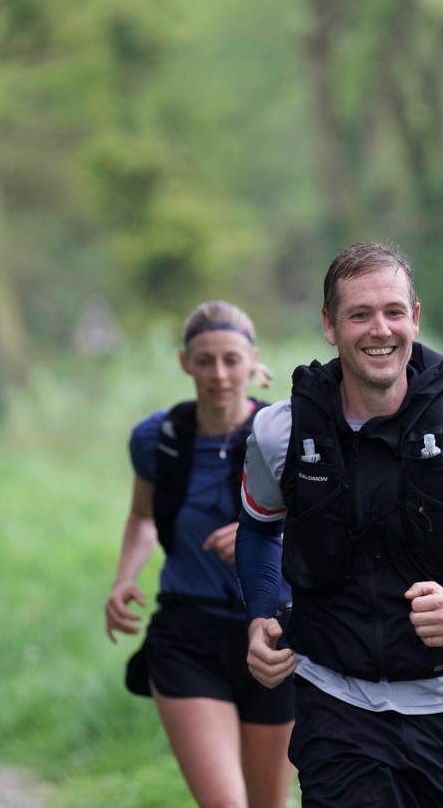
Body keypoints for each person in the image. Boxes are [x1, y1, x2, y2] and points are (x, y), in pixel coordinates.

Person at [235, 243, 443, 807]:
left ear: (415, 318)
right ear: (330, 326)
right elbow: (259, 530)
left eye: (393, 312)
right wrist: (261, 614)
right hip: (333, 702)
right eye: (359, 314)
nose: (379, 330)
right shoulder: (279, 431)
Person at [105, 300, 295, 808]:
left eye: (231, 359)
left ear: (252, 361)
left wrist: (262, 536)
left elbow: (327, 531)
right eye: (205, 360)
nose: (219, 374)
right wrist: (124, 580)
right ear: (184, 363)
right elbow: (143, 517)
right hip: (186, 633)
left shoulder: (285, 435)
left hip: (273, 634)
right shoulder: (158, 439)